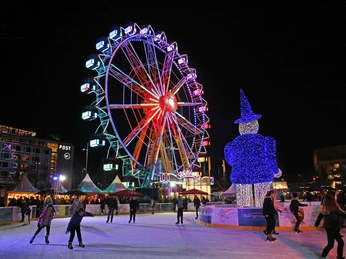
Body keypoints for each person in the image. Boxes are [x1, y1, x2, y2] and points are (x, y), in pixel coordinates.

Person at [315, 190, 346, 259]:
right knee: (331, 244)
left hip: (330, 227)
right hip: (332, 226)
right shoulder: (334, 205)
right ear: (332, 197)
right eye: (335, 195)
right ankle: (323, 257)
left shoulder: (326, 205)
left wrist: (316, 224)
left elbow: (321, 214)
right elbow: (341, 213)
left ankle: (339, 257)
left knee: (340, 243)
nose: (336, 197)